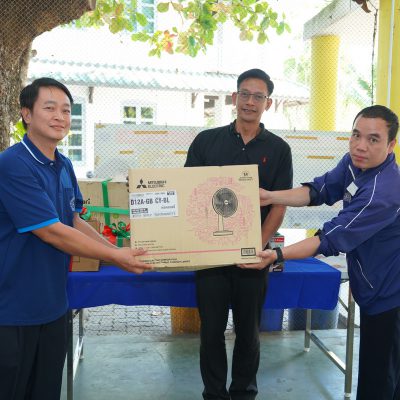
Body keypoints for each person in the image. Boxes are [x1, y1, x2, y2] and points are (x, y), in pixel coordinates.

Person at [0, 77, 152, 400]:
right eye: (49, 108)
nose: (60, 116)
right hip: (13, 311)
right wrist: (117, 257)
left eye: (67, 110)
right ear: (26, 114)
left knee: (45, 391)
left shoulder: (64, 164)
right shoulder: (12, 164)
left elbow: (74, 219)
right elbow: (51, 230)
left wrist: (116, 251)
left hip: (54, 306)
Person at [243, 105, 400, 400]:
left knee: (379, 380)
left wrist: (276, 255)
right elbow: (319, 190)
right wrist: (270, 196)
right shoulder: (355, 163)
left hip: (389, 295)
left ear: (391, 145)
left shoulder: (384, 192)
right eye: (356, 135)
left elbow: (328, 240)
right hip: (373, 284)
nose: (360, 146)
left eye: (373, 139)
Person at [185, 68, 293, 400]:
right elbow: (189, 194)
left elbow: (279, 204)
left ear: (268, 103)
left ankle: (244, 392)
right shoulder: (206, 141)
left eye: (258, 96)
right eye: (244, 94)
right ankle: (214, 394)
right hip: (211, 257)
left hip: (253, 258)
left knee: (249, 333)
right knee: (211, 332)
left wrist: (255, 245)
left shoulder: (279, 149)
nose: (250, 102)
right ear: (234, 98)